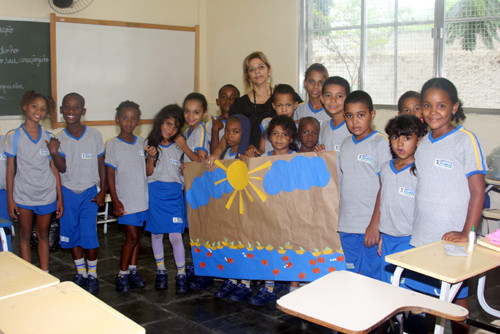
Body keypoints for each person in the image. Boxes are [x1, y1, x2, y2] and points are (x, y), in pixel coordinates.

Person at [407, 78, 486, 334]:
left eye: (441, 106)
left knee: (455, 301)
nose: (433, 112)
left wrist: (468, 232)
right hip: (424, 236)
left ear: (454, 107)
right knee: (429, 300)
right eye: (427, 105)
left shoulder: (465, 140)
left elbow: (477, 191)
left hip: (453, 239)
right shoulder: (422, 144)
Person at [47, 92, 106, 294]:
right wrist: (54, 152)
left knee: (89, 236)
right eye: (67, 107)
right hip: (68, 193)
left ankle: (93, 275)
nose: (71, 111)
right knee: (72, 235)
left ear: (83, 111)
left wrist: (103, 190)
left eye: (76, 107)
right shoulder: (59, 138)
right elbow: (62, 168)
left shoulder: (94, 135)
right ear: (62, 110)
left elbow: (101, 165)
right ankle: (80, 272)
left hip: (89, 192)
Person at [5, 90, 63, 270]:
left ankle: (45, 273)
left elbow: (54, 168)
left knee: (43, 234)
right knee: (24, 235)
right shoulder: (14, 136)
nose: (39, 111)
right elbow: (10, 169)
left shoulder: (49, 137)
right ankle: (29, 274)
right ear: (25, 107)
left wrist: (59, 197)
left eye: (44, 109)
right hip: (23, 195)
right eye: (34, 106)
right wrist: (10, 199)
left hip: (46, 194)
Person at [337, 90, 392, 280]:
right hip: (347, 225)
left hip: (369, 226)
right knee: (351, 275)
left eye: (361, 115)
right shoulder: (345, 144)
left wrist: (375, 224)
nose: (355, 121)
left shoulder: (381, 144)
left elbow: (385, 187)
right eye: (349, 116)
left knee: (372, 278)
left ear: (372, 114)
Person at [366, 114, 427, 285]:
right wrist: (382, 233)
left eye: (407, 138)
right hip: (388, 239)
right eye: (395, 137)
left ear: (419, 140)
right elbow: (384, 201)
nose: (400, 144)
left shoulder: (420, 171)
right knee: (388, 285)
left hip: (410, 240)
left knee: (407, 286)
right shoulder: (385, 168)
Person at [145, 104, 195, 294]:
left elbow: (195, 162)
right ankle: (161, 271)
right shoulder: (150, 143)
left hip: (174, 194)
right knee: (156, 234)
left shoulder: (179, 146)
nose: (170, 129)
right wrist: (151, 157)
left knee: (175, 235)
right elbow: (148, 172)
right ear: (160, 122)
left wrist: (185, 146)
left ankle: (181, 274)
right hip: (155, 193)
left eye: (175, 127)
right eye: (167, 124)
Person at [105, 101, 148, 293]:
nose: (128, 122)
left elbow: (147, 170)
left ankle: (132, 271)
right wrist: (115, 199)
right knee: (131, 237)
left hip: (142, 199)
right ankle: (121, 274)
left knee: (137, 237)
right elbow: (110, 174)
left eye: (133, 119)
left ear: (138, 121)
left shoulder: (142, 143)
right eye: (124, 118)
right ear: (117, 120)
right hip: (125, 200)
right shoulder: (113, 145)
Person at [252, 84, 299, 155]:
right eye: (279, 105)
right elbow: (261, 150)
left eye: (288, 105)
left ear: (295, 105)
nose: (284, 110)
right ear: (274, 106)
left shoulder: (298, 126)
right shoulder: (266, 123)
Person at [316, 76, 351, 153]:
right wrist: (319, 150)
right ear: (322, 99)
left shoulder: (353, 127)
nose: (333, 100)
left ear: (348, 99)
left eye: (339, 96)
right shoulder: (324, 126)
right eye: (328, 95)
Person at [206, 84, 240, 154]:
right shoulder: (210, 124)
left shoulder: (241, 123)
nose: (228, 100)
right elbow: (213, 154)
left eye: (232, 98)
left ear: (238, 102)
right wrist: (215, 129)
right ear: (218, 101)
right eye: (224, 97)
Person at [183, 92, 210, 162]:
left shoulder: (200, 131)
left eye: (196, 112)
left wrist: (183, 146)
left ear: (204, 113)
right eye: (187, 111)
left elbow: (202, 160)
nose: (190, 116)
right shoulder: (187, 132)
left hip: (199, 172)